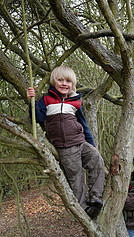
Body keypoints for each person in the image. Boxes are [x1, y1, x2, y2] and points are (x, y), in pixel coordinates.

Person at [27, 65, 105, 219]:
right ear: (53, 82)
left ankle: (95, 197)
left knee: (97, 159)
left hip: (81, 142)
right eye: (60, 80)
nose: (64, 83)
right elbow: (38, 117)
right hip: (65, 148)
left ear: (73, 84)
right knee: (76, 176)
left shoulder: (75, 102)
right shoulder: (47, 100)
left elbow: (83, 124)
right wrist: (32, 101)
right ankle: (84, 207)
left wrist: (91, 144)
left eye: (68, 81)